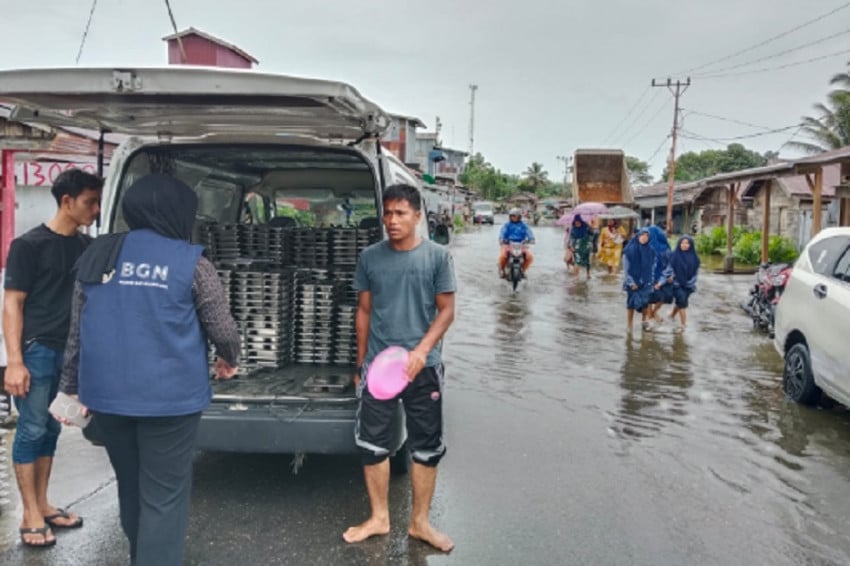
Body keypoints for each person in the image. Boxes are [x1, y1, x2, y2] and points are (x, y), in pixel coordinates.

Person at [58, 174, 241, 565]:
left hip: (107, 397)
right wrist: (230, 357)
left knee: (131, 486)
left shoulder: (98, 254)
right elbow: (222, 327)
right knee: (164, 496)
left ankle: (142, 556)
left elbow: (77, 330)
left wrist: (70, 387)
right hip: (170, 401)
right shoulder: (191, 261)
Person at [343, 184, 456, 552]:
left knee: (425, 445)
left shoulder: (437, 257)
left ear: (418, 216)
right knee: (372, 444)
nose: (392, 220)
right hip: (380, 368)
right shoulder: (370, 258)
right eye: (387, 213)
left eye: (400, 213)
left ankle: (420, 523)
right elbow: (363, 311)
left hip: (423, 369)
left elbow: (447, 310)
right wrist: (361, 362)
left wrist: (423, 350)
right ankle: (379, 518)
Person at [3, 168, 103, 548]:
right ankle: (29, 512)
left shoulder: (84, 248)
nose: (95, 210)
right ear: (67, 201)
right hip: (37, 349)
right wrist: (14, 361)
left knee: (52, 427)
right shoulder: (28, 246)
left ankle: (43, 503)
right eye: (89, 202)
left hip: (71, 353)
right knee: (30, 427)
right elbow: (12, 303)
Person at [622, 228, 657, 332]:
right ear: (637, 236)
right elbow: (626, 269)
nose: (644, 238)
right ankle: (629, 325)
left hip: (646, 281)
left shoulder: (651, 251)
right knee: (631, 303)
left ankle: (644, 322)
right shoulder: (629, 251)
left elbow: (653, 265)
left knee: (645, 303)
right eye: (642, 235)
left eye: (647, 236)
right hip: (633, 281)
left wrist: (652, 279)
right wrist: (631, 282)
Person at [668, 235, 700, 331]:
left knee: (680, 302)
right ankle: (683, 325)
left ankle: (672, 315)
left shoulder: (695, 258)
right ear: (679, 244)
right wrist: (671, 276)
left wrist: (690, 283)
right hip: (676, 284)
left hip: (689, 285)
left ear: (691, 245)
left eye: (687, 243)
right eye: (682, 243)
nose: (684, 245)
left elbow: (695, 274)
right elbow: (670, 269)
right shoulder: (674, 256)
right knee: (682, 303)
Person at [646, 225, 674, 324]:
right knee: (663, 297)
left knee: (650, 298)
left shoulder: (646, 247)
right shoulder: (666, 248)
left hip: (652, 277)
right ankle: (653, 313)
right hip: (662, 277)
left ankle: (652, 314)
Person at [498, 208, 535, 278]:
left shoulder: (524, 225)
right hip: (507, 243)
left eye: (516, 216)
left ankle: (523, 270)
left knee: (529, 257)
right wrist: (501, 239)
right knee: (502, 257)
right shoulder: (507, 225)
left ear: (519, 217)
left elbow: (528, 232)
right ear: (510, 217)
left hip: (521, 244)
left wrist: (531, 239)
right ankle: (502, 270)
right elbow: (502, 232)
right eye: (513, 216)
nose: (514, 218)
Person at [568, 214, 593, 279]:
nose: (577, 222)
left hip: (586, 247)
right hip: (577, 248)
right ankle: (576, 277)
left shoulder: (586, 227)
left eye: (578, 221)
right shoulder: (573, 229)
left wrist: (590, 226)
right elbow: (571, 238)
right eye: (576, 221)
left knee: (587, 262)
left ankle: (588, 274)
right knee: (577, 262)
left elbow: (592, 234)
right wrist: (570, 246)